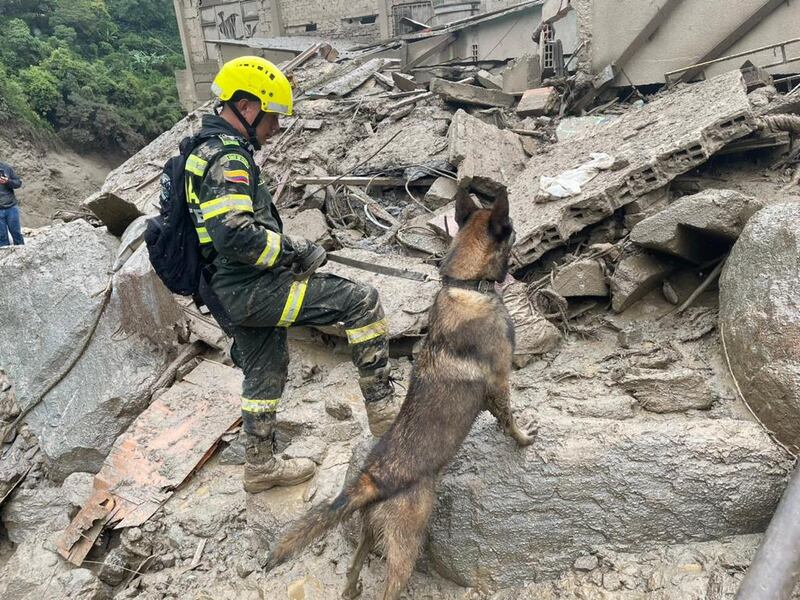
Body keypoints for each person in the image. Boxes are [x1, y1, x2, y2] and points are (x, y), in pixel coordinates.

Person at [187, 56, 398, 493]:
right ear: (247, 107)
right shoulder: (227, 159)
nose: (276, 128)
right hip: (249, 288)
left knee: (265, 368)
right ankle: (385, 414)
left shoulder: (202, 149)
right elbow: (234, 236)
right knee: (362, 300)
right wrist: (297, 250)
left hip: (224, 289)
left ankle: (260, 466)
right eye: (273, 116)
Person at [0, 161, 23, 246]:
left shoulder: (6, 168)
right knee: (1, 238)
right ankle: (5, 258)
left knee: (16, 234)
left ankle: (23, 256)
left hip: (11, 207)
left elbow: (18, 183)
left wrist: (8, 181)